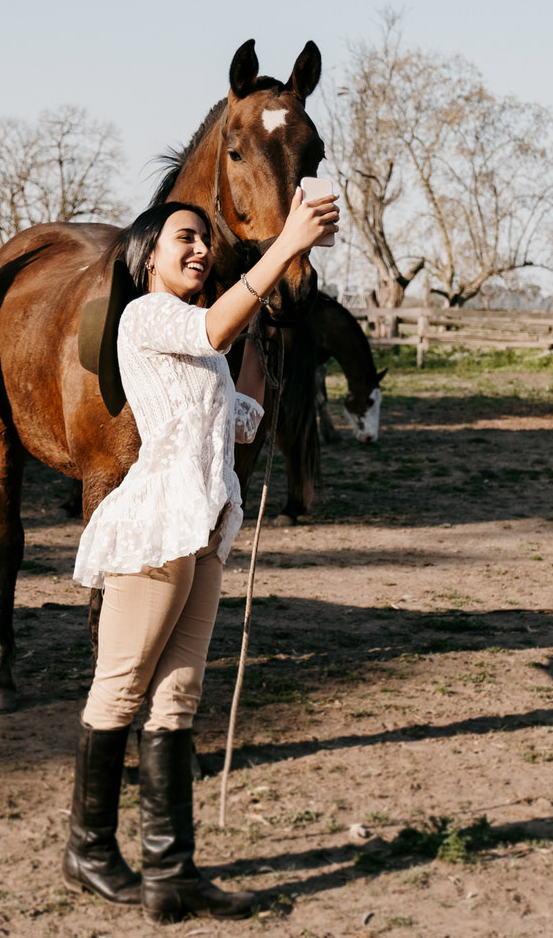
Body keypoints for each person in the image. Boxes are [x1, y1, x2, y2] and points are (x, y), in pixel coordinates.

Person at [62, 189, 340, 922]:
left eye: (204, 241)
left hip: (206, 526)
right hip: (157, 524)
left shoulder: (199, 339)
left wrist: (267, 337)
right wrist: (284, 242)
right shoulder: (146, 314)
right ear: (148, 254)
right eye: (184, 237)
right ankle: (88, 849)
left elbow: (239, 419)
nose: (199, 249)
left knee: (177, 697)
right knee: (120, 687)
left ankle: (170, 868)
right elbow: (214, 326)